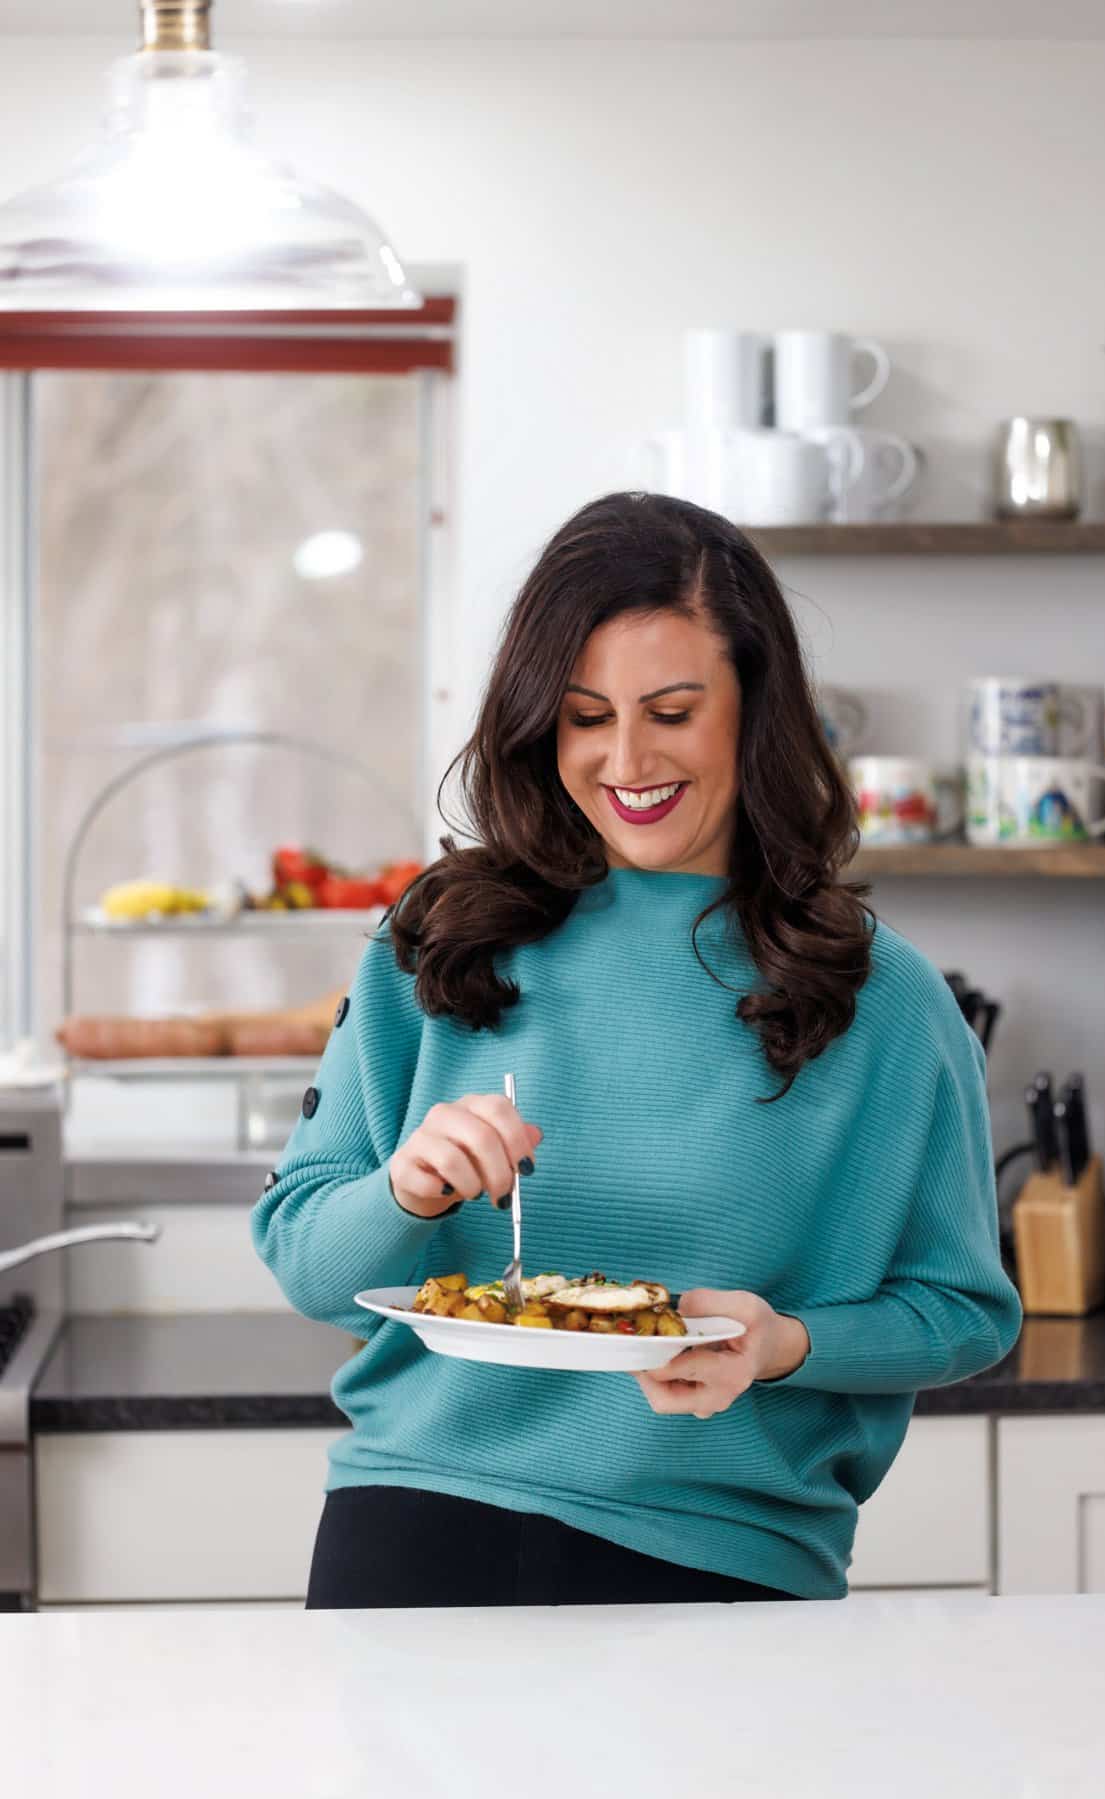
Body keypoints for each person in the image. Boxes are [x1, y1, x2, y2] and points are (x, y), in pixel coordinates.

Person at [251, 490, 1022, 1608]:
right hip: (414, 1533)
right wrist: (405, 1192)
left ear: (752, 710)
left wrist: (788, 1343)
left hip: (723, 1561)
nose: (624, 758)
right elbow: (305, 1259)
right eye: (582, 714)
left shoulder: (878, 993)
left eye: (671, 710)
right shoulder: (441, 934)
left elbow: (966, 1310)